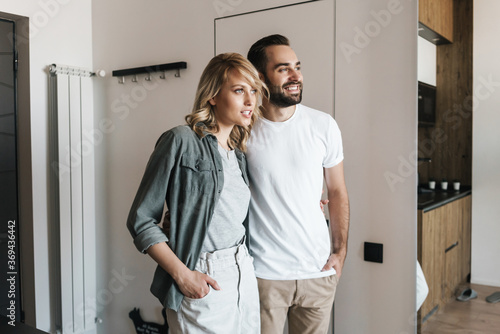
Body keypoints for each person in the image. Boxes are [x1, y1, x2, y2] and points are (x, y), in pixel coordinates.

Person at [126, 52, 266, 334]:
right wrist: (183, 275)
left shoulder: (238, 154)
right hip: (204, 273)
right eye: (239, 90)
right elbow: (141, 220)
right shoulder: (181, 140)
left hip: (243, 273)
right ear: (213, 95)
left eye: (253, 91)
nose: (250, 101)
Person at [246, 34, 350, 334]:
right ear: (260, 76)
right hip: (264, 275)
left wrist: (339, 253)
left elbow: (337, 191)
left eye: (297, 67)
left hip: (318, 272)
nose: (296, 76)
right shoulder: (243, 130)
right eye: (283, 69)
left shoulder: (323, 125)